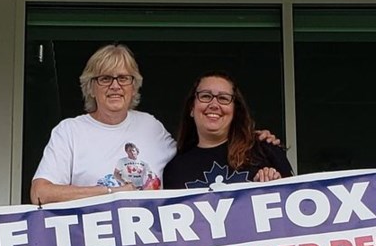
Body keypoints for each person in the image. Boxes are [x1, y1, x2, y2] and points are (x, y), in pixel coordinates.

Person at [30, 43, 280, 204]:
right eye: (105, 78)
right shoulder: (70, 131)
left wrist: (253, 139)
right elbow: (41, 193)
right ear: (91, 86)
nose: (115, 86)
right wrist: (109, 193)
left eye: (123, 78)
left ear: (133, 86)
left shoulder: (150, 127)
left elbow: (200, 151)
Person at [163, 71, 293, 190]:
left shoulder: (264, 149)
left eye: (223, 98)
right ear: (192, 108)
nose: (214, 105)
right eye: (206, 96)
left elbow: (297, 201)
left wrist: (275, 186)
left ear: (235, 110)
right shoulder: (174, 169)